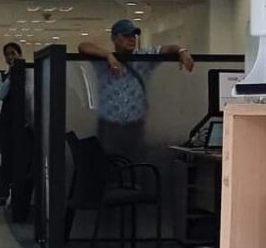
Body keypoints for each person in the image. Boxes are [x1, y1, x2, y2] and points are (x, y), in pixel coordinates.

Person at [78, 19, 194, 159]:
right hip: (109, 126)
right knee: (110, 164)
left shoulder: (143, 57)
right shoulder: (102, 62)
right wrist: (109, 56)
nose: (131, 39)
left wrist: (182, 51)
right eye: (126, 35)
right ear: (114, 38)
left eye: (133, 35)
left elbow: (168, 49)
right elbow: (83, 46)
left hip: (135, 126)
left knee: (135, 163)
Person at [0, 41, 22, 207]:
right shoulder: (2, 76)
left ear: (19, 54)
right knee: (6, 157)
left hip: (23, 122)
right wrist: (11, 76)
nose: (10, 57)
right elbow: (0, 94)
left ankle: (21, 192)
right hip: (7, 121)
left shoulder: (28, 72)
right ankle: (4, 193)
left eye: (13, 53)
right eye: (7, 54)